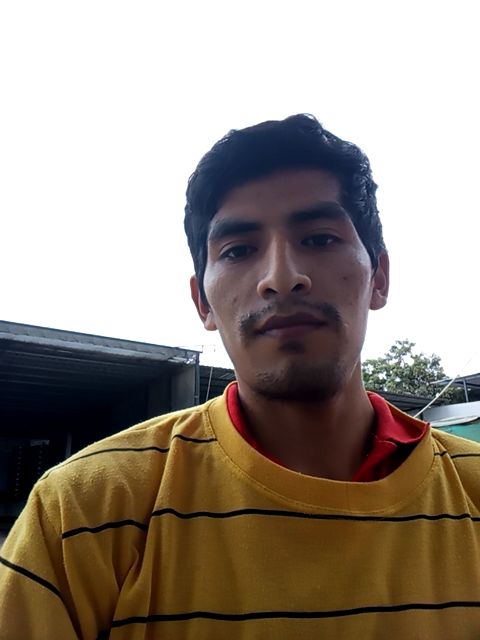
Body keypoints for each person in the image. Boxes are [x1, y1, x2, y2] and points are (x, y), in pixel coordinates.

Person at [1, 114, 480, 639]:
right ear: (202, 302)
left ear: (379, 278)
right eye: (238, 251)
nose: (281, 278)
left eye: (320, 238)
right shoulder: (82, 511)